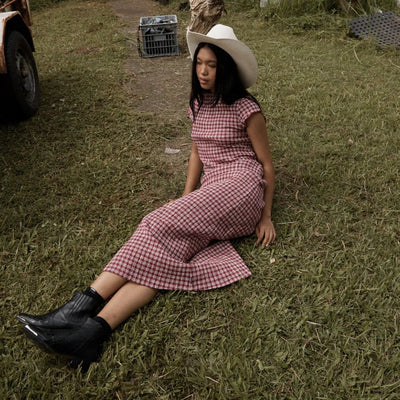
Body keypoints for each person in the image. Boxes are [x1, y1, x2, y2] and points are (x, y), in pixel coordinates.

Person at [17, 24, 276, 371]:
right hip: (212, 191)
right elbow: (196, 153)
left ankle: (75, 309)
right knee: (163, 254)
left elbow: (266, 165)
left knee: (154, 223)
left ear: (226, 68)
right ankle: (92, 333)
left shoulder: (246, 108)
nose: (202, 71)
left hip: (241, 189)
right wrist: (184, 198)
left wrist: (265, 216)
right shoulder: (198, 104)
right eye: (199, 63)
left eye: (212, 65)